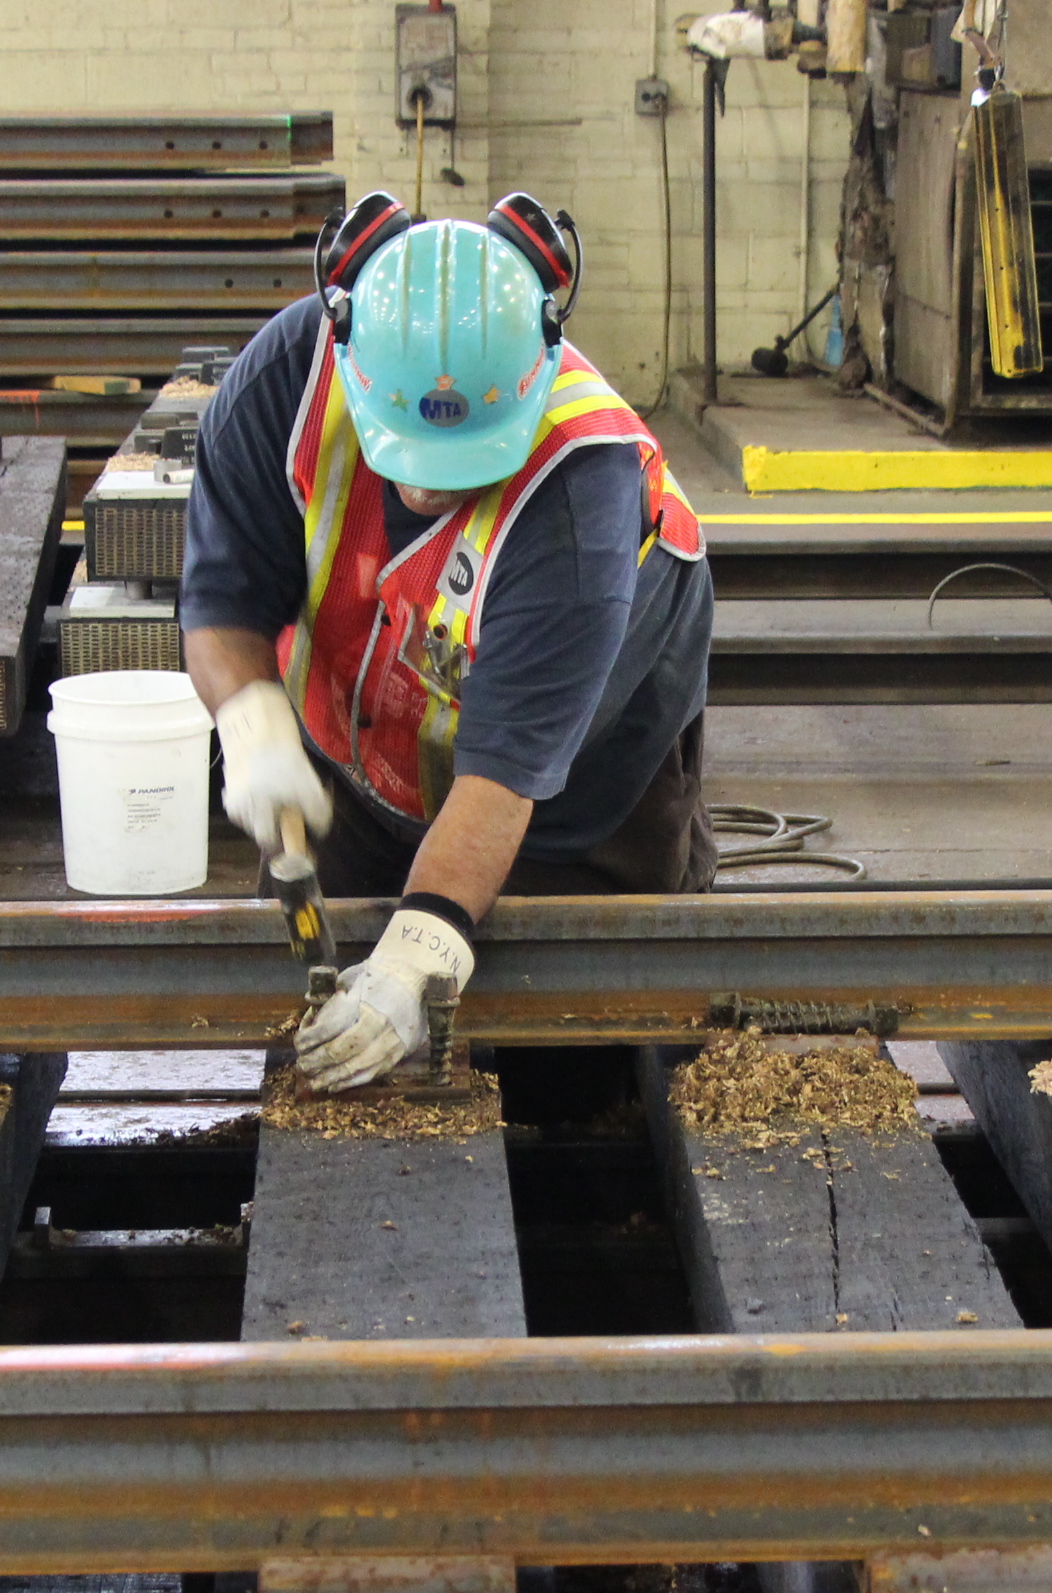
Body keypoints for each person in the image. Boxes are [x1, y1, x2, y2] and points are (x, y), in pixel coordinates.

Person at [179, 190, 715, 1091]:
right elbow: (221, 599)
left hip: (574, 803)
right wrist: (250, 725)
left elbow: (501, 783)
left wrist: (420, 951)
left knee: (579, 1081)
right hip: (356, 753)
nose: (427, 490)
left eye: (463, 463)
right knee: (319, 1047)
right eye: (406, 457)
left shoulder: (580, 491)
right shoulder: (289, 378)